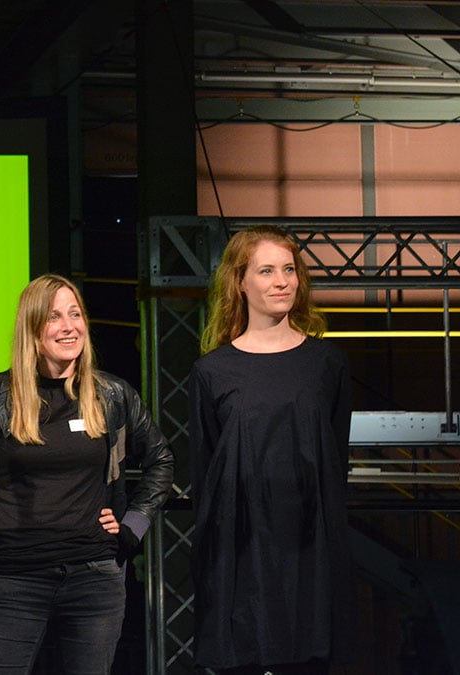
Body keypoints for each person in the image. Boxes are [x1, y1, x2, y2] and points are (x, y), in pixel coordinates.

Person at [0, 273, 174, 674]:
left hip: (93, 579)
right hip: (11, 579)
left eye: (76, 314)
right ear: (32, 331)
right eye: (54, 317)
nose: (70, 326)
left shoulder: (111, 395)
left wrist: (132, 525)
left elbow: (161, 462)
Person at [189, 225, 354, 675]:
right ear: (240, 281)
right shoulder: (213, 371)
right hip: (242, 550)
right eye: (266, 270)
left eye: (289, 269)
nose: (282, 281)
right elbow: (205, 473)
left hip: (310, 546)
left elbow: (336, 458)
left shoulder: (326, 363)